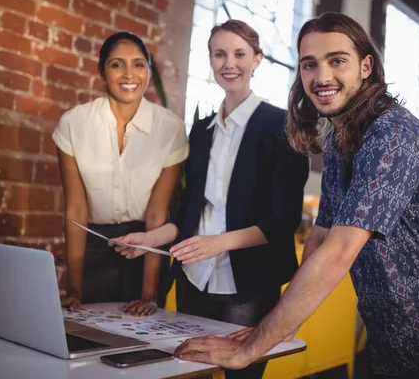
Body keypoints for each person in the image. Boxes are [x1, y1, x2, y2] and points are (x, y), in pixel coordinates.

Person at [171, 12, 419, 378]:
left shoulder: (392, 133)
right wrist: (280, 328)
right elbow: (322, 234)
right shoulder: (338, 139)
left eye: (337, 61)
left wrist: (251, 347)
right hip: (388, 322)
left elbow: (341, 250)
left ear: (366, 66)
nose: (322, 77)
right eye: (310, 65)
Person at [113, 20, 309, 378]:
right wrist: (149, 239)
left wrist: (219, 243)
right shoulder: (201, 131)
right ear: (210, 60)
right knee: (189, 373)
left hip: (247, 285)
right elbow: (190, 211)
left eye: (239, 54)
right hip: (194, 280)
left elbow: (283, 221)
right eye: (219, 54)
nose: (228, 63)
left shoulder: (283, 127)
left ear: (257, 60)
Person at [53, 32, 189, 317]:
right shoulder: (73, 123)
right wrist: (73, 289)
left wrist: (149, 294)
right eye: (117, 65)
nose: (129, 74)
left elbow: (157, 214)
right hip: (93, 244)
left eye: (139, 64)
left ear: (149, 72)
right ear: (102, 71)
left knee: (141, 341)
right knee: (86, 329)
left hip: (146, 245)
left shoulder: (170, 128)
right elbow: (76, 208)